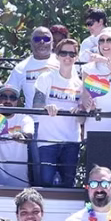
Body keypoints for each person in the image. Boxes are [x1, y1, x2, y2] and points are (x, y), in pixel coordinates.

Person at [0, 27, 59, 186]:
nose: (42, 42)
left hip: (63, 123)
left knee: (64, 170)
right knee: (39, 172)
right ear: (31, 43)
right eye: (37, 39)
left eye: (46, 38)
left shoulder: (62, 61)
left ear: (52, 42)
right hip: (36, 124)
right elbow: (6, 92)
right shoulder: (21, 67)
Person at [33, 38, 84, 187]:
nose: (67, 57)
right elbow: (36, 105)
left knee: (68, 184)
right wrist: (47, 107)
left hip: (71, 141)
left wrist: (80, 111)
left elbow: (81, 120)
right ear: (57, 56)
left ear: (76, 57)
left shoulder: (80, 84)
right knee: (45, 182)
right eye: (63, 53)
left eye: (72, 54)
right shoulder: (46, 77)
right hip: (48, 140)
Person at [0, 84, 34, 188]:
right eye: (3, 96)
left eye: (12, 97)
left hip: (20, 184)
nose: (8, 100)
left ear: (17, 101)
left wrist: (21, 137)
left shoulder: (24, 118)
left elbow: (28, 136)